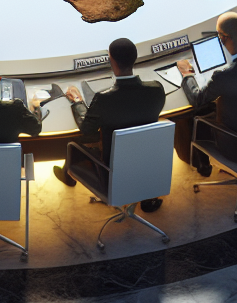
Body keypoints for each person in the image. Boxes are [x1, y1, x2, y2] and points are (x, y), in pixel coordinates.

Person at [55, 37, 166, 212]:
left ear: (111, 61)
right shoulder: (157, 89)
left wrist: (77, 101)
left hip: (113, 175)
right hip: (147, 170)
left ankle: (68, 177)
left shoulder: (104, 99)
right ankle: (144, 193)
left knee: (73, 144)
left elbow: (86, 128)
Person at [172, 13, 237, 175]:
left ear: (223, 39)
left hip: (235, 147)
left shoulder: (224, 76)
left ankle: (202, 165)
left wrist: (187, 74)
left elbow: (198, 99)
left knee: (196, 115)